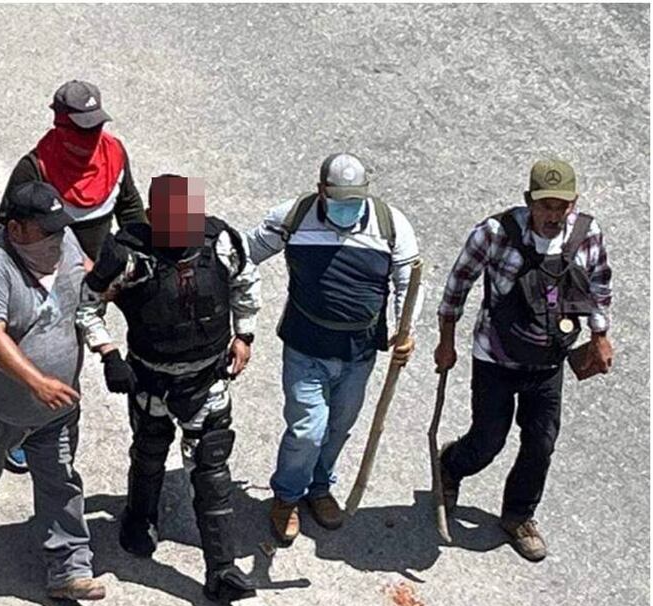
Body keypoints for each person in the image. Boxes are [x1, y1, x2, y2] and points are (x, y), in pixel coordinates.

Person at [76, 174, 262, 603]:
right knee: (149, 452)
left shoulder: (220, 243)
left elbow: (245, 282)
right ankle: (140, 518)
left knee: (212, 467)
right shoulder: (128, 255)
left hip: (207, 377)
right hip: (151, 378)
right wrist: (109, 354)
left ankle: (222, 570)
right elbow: (87, 305)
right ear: (152, 217)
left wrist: (244, 334)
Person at [434, 159, 613, 561]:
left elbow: (599, 284)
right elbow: (457, 285)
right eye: (545, 206)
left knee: (541, 443)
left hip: (548, 362)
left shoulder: (587, 234)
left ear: (573, 203)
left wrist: (600, 335)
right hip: (496, 357)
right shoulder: (494, 233)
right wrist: (447, 342)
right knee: (488, 441)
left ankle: (518, 516)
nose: (553, 215)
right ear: (529, 201)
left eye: (562, 206)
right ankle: (451, 466)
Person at [245, 153, 420, 544]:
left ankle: (319, 487)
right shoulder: (294, 217)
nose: (348, 209)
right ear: (322, 190)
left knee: (339, 427)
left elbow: (409, 282)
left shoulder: (391, 225)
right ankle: (287, 496)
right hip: (305, 348)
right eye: (340, 200)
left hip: (359, 353)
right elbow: (245, 255)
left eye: (355, 201)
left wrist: (404, 331)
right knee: (308, 430)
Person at [0, 181, 104, 601]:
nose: (57, 239)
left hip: (57, 405)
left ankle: (69, 568)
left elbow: (88, 277)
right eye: (46, 231)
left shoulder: (62, 241)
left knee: (60, 478)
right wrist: (37, 382)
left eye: (60, 229)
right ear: (16, 229)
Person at [0, 79, 147, 474]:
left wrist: (133, 258)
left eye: (96, 126)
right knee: (39, 358)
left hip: (91, 288)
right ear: (61, 125)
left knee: (70, 356)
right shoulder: (35, 169)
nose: (91, 136)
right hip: (42, 287)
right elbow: (6, 230)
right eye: (81, 129)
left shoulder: (114, 155)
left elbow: (131, 210)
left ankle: (44, 426)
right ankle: (19, 428)